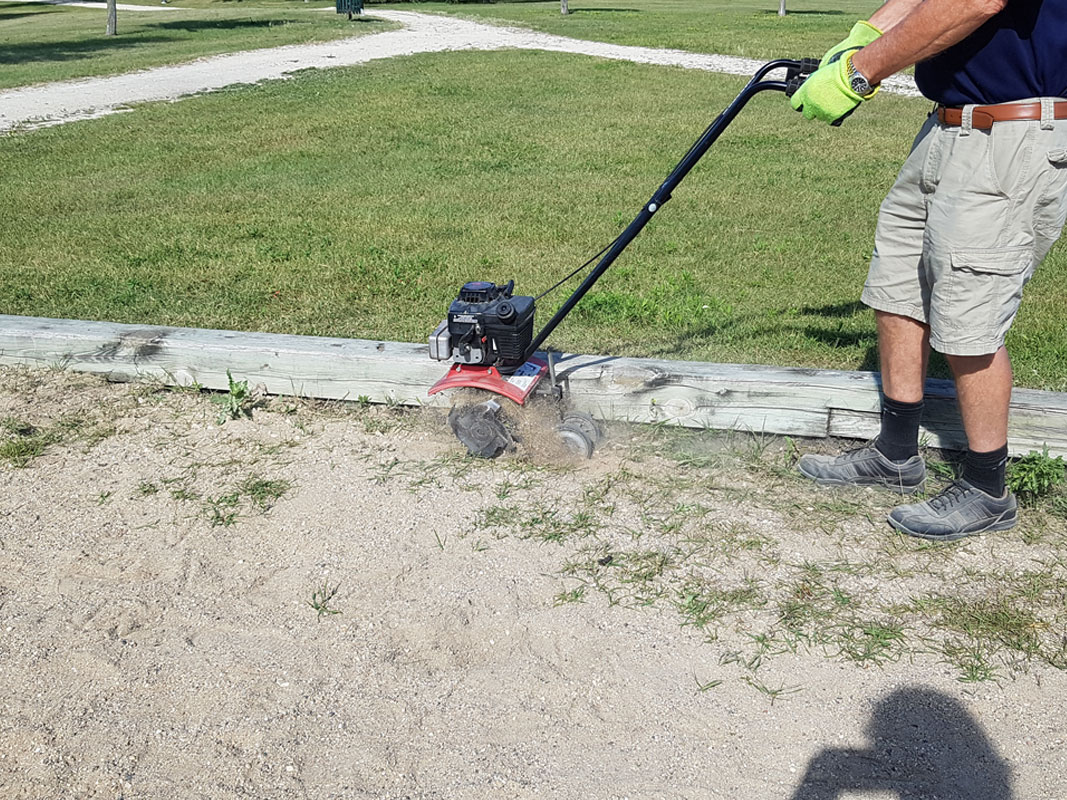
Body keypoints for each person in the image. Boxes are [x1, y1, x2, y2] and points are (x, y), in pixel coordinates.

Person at [789, 0, 1067, 541]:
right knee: (898, 286)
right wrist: (861, 37)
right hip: (946, 128)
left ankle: (988, 489)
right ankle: (896, 454)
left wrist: (858, 73)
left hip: (1012, 135)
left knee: (969, 309)